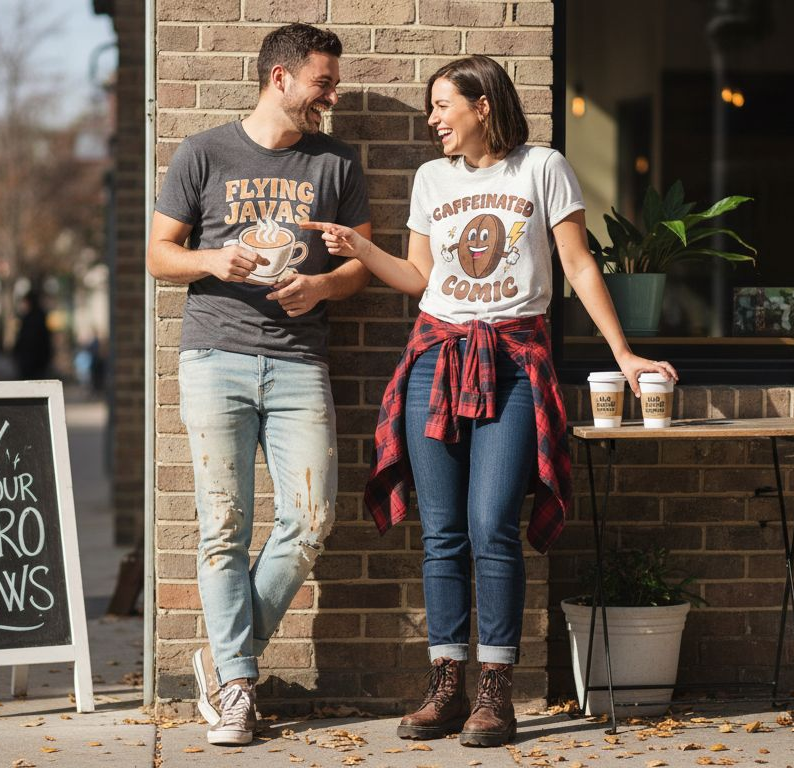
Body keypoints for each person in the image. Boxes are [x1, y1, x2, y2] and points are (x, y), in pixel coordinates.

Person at [301, 55, 678, 748]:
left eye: (444, 105)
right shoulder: (430, 179)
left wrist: (623, 354)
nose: (433, 120)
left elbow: (578, 265)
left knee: (491, 525)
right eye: (431, 108)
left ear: (483, 104)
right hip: (434, 362)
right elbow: (418, 278)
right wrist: (356, 246)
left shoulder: (543, 166)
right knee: (442, 532)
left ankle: (497, 692)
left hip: (513, 363)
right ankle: (447, 685)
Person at [146, 23, 372, 747]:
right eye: (322, 83)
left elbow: (361, 264)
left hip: (300, 361)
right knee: (222, 528)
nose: (330, 97)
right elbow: (157, 255)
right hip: (216, 357)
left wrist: (323, 289)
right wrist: (216, 262)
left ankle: (219, 660)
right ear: (281, 78)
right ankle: (239, 690)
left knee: (310, 520)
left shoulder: (337, 162)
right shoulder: (204, 152)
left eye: (332, 84)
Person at [12, 288, 52, 380]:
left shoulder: (31, 318)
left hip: (33, 360)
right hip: (36, 360)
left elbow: (28, 339)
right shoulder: (37, 316)